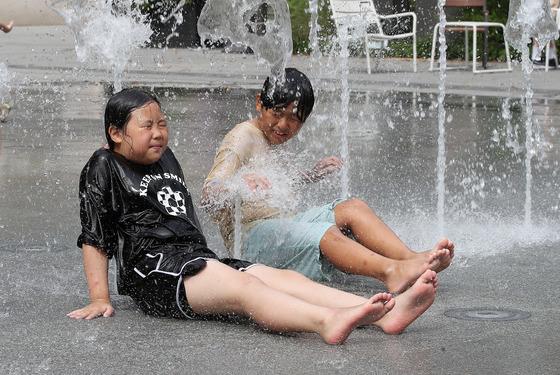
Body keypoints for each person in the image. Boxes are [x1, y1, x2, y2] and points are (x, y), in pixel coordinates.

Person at [67, 88, 440, 344]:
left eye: (162, 123)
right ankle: (326, 322)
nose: (159, 133)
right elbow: (94, 237)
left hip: (194, 259)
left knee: (279, 276)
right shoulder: (104, 164)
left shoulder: (163, 157)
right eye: (146, 126)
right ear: (116, 133)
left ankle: (380, 314)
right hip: (155, 270)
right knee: (249, 290)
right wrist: (100, 298)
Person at [203, 68, 454, 294]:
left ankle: (409, 259)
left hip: (280, 225)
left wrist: (310, 175)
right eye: (277, 113)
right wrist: (238, 185)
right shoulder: (242, 137)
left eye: (294, 118)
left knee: (352, 207)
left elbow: (272, 187)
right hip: (251, 242)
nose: (283, 124)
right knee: (325, 233)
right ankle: (390, 272)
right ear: (260, 103)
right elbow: (209, 193)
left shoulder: (269, 137)